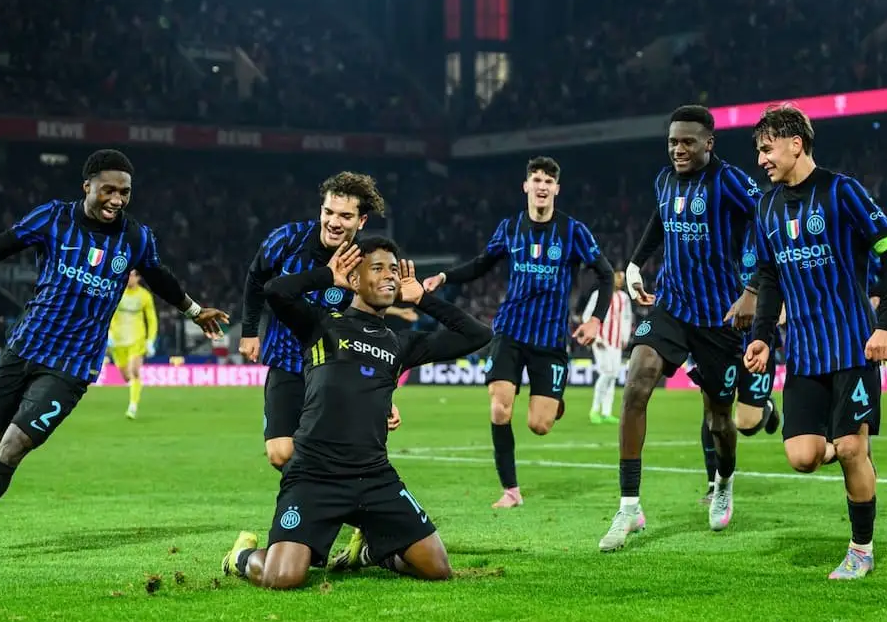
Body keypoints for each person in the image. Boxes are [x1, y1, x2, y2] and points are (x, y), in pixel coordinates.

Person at [0, 149, 227, 569]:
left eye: (125, 193)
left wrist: (194, 310)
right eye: (109, 190)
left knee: (11, 448)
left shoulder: (136, 238)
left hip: (71, 367)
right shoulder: (53, 218)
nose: (117, 199)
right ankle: (18, 416)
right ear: (87, 186)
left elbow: (160, 277)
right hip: (24, 348)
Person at [221, 238, 492, 589]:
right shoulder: (321, 324)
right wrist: (326, 276)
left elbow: (478, 335)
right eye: (377, 268)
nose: (389, 275)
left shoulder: (400, 343)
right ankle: (241, 557)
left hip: (374, 476)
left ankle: (370, 553)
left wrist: (422, 299)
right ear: (354, 279)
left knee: (437, 568)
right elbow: (275, 290)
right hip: (315, 474)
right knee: (282, 577)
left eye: (393, 270)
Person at [744, 104, 887, 580]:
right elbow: (769, 277)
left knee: (851, 448)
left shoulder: (842, 191)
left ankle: (861, 549)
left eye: (767, 149)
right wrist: (762, 337)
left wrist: (886, 325)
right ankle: (853, 447)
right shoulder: (766, 207)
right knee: (803, 458)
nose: (761, 160)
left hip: (853, 346)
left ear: (796, 144)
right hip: (805, 354)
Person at [599, 105, 762, 553]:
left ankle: (723, 481)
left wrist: (752, 288)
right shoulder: (664, 180)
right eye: (673, 142)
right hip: (671, 307)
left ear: (709, 143)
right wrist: (636, 262)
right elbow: (659, 220)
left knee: (719, 420)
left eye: (688, 142)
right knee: (636, 384)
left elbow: (764, 218)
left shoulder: (729, 181)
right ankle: (629, 507)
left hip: (719, 318)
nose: (678, 149)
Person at [422, 156, 614, 509]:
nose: (542, 186)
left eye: (548, 181)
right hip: (510, 331)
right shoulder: (510, 228)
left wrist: (595, 320)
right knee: (500, 409)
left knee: (540, 425)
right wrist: (445, 277)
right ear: (526, 186)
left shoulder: (573, 231)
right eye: (536, 180)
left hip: (550, 339)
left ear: (557, 189)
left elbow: (605, 274)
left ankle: (552, 403)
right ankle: (511, 490)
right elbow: (481, 264)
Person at [238, 172, 390, 470]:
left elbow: (369, 331)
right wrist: (249, 331)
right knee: (280, 454)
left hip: (333, 369)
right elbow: (257, 279)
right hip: (286, 362)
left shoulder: (367, 263)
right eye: (328, 212)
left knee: (336, 450)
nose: (334, 222)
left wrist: (383, 396)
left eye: (345, 216)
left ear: (361, 221)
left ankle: (328, 493)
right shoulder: (288, 239)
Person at [688, 229, 781, 506]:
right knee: (713, 410)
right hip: (717, 336)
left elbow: (779, 271)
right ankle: (713, 483)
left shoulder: (765, 229)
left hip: (757, 336)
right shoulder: (711, 233)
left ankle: (766, 407)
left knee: (747, 425)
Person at [581, 271, 634, 425]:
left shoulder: (624, 298)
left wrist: (625, 337)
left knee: (613, 375)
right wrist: (596, 337)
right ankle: (594, 410)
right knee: (607, 373)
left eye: (622, 279)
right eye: (618, 278)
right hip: (601, 341)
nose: (620, 281)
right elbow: (587, 316)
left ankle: (606, 412)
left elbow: (627, 318)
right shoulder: (598, 294)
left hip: (616, 342)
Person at [107, 270, 158, 419]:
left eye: (133, 275)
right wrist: (108, 333)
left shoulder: (144, 296)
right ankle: (134, 391)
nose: (130, 278)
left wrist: (150, 340)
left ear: (139, 277)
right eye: (128, 274)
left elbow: (152, 319)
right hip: (118, 341)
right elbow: (106, 313)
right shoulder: (116, 291)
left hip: (137, 340)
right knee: (126, 376)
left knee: (134, 371)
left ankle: (132, 407)